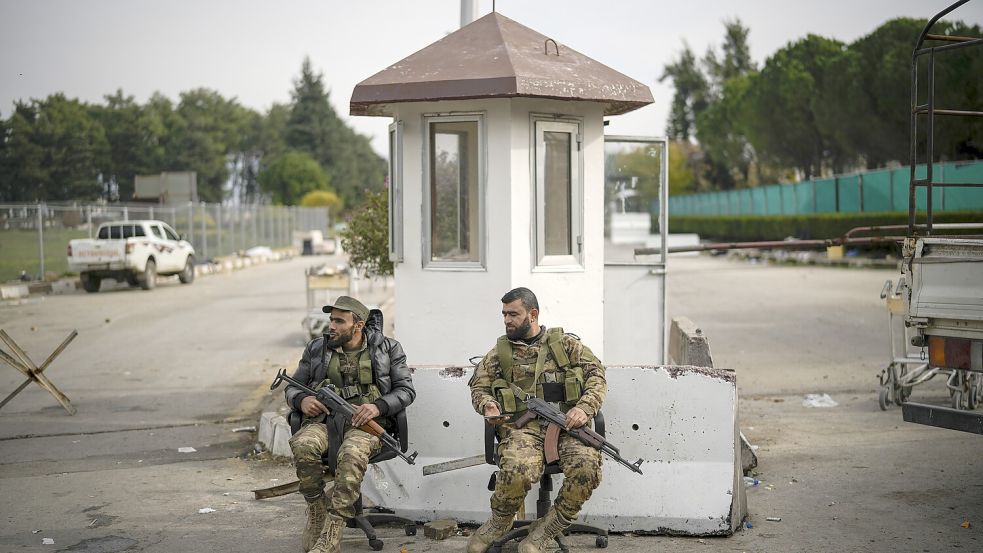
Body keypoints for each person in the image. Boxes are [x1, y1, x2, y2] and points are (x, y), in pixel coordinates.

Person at [467, 287, 606, 553]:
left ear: (533, 314)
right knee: (517, 469)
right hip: (523, 429)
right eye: (504, 314)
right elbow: (479, 388)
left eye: (514, 314)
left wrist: (585, 408)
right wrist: (488, 405)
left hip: (567, 425)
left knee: (587, 466)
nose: (507, 320)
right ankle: (499, 522)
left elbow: (596, 376)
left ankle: (548, 528)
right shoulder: (500, 353)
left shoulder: (565, 345)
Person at [285, 296, 415, 553]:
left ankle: (333, 530)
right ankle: (316, 511)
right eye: (331, 319)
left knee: (351, 454)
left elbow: (406, 391)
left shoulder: (388, 349)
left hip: (366, 425)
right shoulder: (316, 349)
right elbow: (291, 386)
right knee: (303, 444)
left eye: (338, 321)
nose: (331, 326)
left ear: (358, 325)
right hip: (323, 422)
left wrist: (378, 406)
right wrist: (302, 400)